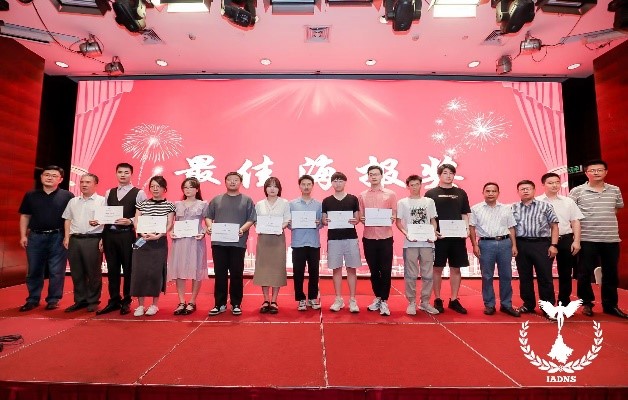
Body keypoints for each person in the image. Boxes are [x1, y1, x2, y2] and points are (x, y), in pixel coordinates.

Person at [569, 160, 627, 319]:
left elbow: (616, 209)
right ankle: (587, 303)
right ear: (586, 173)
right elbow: (572, 214)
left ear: (606, 172)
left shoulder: (614, 190)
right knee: (584, 273)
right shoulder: (577, 191)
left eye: (600, 170)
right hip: (587, 238)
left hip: (611, 238)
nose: (596, 173)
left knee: (611, 273)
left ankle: (610, 305)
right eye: (592, 170)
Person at [18, 165, 74, 311]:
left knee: (57, 270)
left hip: (58, 236)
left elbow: (70, 218)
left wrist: (67, 236)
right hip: (35, 236)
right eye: (47, 174)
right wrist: (23, 235)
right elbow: (25, 216)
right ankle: (33, 299)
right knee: (34, 269)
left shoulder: (67, 196)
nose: (50, 178)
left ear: (60, 179)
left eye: (54, 176)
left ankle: (53, 299)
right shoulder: (31, 195)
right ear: (41, 177)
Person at [97, 163, 147, 315]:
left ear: (131, 174)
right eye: (120, 172)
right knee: (112, 269)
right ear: (116, 174)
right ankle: (114, 300)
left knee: (128, 269)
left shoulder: (139, 193)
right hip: (109, 235)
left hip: (127, 235)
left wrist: (130, 221)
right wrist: (102, 236)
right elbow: (105, 214)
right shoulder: (109, 192)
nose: (123, 175)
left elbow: (144, 214)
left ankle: (126, 300)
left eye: (126, 172)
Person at [205, 172, 256, 316]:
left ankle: (236, 303)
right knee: (220, 274)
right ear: (225, 182)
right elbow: (208, 216)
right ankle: (219, 304)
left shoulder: (247, 200)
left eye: (236, 180)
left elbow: (251, 219)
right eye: (229, 180)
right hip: (219, 243)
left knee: (236, 274)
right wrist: (210, 227)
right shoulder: (216, 199)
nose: (232, 182)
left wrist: (242, 229)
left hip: (237, 243)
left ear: (240, 182)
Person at [424, 164, 471, 314]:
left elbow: (464, 214)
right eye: (445, 173)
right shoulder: (431, 193)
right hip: (439, 237)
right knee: (437, 268)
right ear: (439, 175)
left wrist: (466, 229)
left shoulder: (461, 193)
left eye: (451, 173)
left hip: (457, 237)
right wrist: (433, 231)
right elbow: (427, 216)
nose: (448, 176)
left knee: (456, 268)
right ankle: (438, 299)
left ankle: (454, 299)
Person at [469, 182, 520, 317]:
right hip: (486, 244)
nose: (491, 193)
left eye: (494, 191)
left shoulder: (506, 208)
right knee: (487, 276)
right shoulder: (475, 209)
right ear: (483, 193)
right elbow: (472, 228)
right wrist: (474, 245)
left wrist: (514, 245)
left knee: (506, 275)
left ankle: (506, 304)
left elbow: (511, 227)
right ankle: (489, 304)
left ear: (498, 193)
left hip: (505, 243)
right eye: (488, 191)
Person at [512, 180, 559, 319]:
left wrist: (554, 245)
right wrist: (513, 245)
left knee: (545, 277)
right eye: (522, 189)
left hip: (541, 244)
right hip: (521, 244)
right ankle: (528, 304)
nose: (525, 191)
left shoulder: (545, 206)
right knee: (524, 277)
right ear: (518, 192)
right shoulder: (513, 208)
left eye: (528, 188)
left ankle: (548, 308)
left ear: (534, 190)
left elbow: (554, 226)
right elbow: (511, 228)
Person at [537, 172, 583, 308]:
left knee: (566, 272)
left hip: (565, 239)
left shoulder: (568, 201)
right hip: (545, 240)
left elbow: (575, 221)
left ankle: (564, 301)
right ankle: (547, 303)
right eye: (550, 183)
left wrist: (576, 241)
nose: (554, 185)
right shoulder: (537, 201)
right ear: (543, 185)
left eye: (557, 182)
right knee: (544, 273)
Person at [130, 176, 175, 317]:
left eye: (158, 186)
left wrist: (159, 235)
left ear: (164, 189)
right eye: (153, 186)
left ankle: (154, 305)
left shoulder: (169, 205)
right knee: (139, 272)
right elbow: (136, 221)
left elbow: (169, 223)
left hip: (158, 242)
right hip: (142, 241)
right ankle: (140, 305)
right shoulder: (142, 204)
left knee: (156, 273)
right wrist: (141, 232)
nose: (155, 189)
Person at [395, 175, 440, 315]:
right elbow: (398, 222)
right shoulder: (402, 203)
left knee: (428, 274)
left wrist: (432, 233)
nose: (414, 187)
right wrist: (406, 234)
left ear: (421, 185)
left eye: (417, 184)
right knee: (411, 274)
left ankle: (425, 302)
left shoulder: (429, 201)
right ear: (407, 186)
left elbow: (433, 220)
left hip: (427, 243)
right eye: (412, 185)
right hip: (410, 243)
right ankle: (411, 302)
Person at [62, 173, 106, 313]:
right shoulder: (73, 201)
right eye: (82, 182)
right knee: (77, 272)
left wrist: (104, 238)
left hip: (93, 239)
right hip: (75, 239)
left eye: (88, 182)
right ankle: (80, 300)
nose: (84, 184)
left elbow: (108, 221)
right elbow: (67, 219)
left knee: (93, 273)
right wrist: (67, 237)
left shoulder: (102, 201)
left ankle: (93, 301)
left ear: (95, 184)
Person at [358, 165, 397, 316]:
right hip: (369, 237)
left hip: (385, 237)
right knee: (374, 271)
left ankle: (385, 300)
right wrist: (362, 219)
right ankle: (378, 298)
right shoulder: (362, 195)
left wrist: (392, 217)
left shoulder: (390, 194)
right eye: (371, 174)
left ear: (381, 176)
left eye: (376, 174)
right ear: (368, 177)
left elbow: (394, 214)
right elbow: (361, 216)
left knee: (386, 270)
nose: (373, 176)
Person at [322, 172, 361, 313]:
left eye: (340, 181)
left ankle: (352, 299)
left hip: (351, 238)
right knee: (336, 269)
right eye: (335, 181)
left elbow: (357, 218)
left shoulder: (353, 199)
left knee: (351, 269)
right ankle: (338, 298)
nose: (337, 183)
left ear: (345, 182)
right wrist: (325, 221)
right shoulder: (327, 201)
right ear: (331, 183)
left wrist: (356, 220)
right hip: (334, 239)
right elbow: (324, 219)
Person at [168, 177, 208, 316]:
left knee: (196, 270)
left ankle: (192, 301)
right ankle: (181, 301)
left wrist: (203, 233)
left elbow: (209, 222)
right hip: (179, 241)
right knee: (179, 270)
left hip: (195, 241)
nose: (188, 189)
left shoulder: (203, 204)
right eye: (185, 187)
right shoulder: (177, 204)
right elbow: (171, 223)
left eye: (191, 187)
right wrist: (171, 231)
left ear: (197, 189)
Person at [254, 177, 291, 314]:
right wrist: (261, 227)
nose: (272, 189)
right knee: (263, 268)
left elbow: (287, 219)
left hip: (277, 238)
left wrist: (278, 227)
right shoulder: (259, 204)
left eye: (275, 186)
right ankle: (265, 299)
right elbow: (255, 221)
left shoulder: (284, 203)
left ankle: (274, 300)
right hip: (263, 239)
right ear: (265, 188)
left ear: (279, 189)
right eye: (269, 186)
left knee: (277, 268)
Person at [289, 174, 323, 311]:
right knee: (298, 272)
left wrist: (318, 223)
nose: (306, 187)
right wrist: (291, 223)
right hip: (298, 243)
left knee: (314, 272)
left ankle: (312, 298)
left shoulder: (318, 205)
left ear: (312, 186)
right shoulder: (292, 204)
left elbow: (321, 223)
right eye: (303, 184)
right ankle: (301, 299)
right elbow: (289, 223)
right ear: (299, 186)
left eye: (309, 184)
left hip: (313, 242)